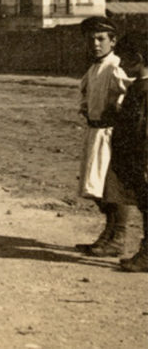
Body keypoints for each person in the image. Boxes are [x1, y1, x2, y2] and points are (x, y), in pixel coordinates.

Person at [75, 16, 133, 257]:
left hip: (112, 135)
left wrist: (119, 108)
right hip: (95, 132)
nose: (95, 44)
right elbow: (87, 94)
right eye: (91, 39)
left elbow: (131, 93)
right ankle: (108, 233)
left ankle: (118, 236)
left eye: (101, 39)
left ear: (113, 41)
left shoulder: (116, 66)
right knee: (96, 187)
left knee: (113, 187)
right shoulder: (94, 68)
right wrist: (85, 106)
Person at [103, 33, 148, 272]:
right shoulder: (138, 87)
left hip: (141, 159)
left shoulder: (144, 89)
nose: (119, 64)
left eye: (124, 59)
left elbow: (142, 129)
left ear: (138, 59)